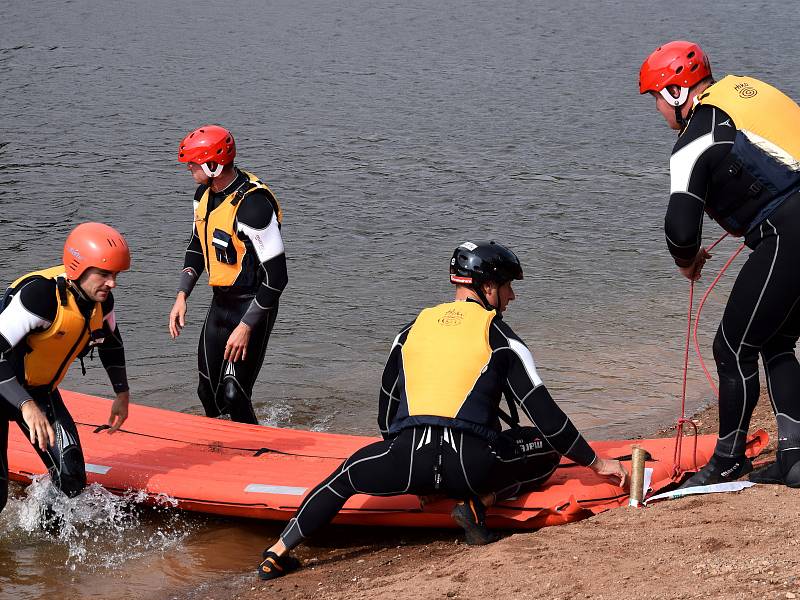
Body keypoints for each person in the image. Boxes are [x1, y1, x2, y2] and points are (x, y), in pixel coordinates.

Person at [256, 241, 628, 581]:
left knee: (345, 476)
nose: (512, 296)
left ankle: (276, 553)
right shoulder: (501, 337)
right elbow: (547, 417)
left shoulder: (410, 330)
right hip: (473, 466)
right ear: (487, 287)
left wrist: (410, 467)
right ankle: (478, 502)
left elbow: (386, 413)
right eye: (508, 286)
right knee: (544, 449)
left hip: (407, 463)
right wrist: (598, 464)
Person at [639, 41, 800, 488]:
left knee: (731, 348)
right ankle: (795, 456)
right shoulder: (748, 89)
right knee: (776, 340)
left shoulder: (694, 138)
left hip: (789, 233)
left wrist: (687, 262)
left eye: (656, 97)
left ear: (676, 92)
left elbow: (680, 230)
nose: (657, 108)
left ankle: (728, 459)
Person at [0, 223, 131, 513]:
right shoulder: (41, 296)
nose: (112, 284)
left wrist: (122, 393)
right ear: (78, 267)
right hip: (5, 386)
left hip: (39, 391)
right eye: (105, 274)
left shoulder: (101, 302)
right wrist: (25, 405)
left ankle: (49, 551)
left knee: (71, 480)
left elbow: (111, 343)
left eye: (116, 275)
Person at [169, 125, 288, 424]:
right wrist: (182, 294)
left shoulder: (253, 207)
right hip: (221, 303)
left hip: (254, 304)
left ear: (213, 164)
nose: (189, 168)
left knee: (233, 392)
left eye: (194, 163)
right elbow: (198, 245)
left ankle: (258, 453)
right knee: (207, 392)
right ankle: (224, 452)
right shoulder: (203, 196)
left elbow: (278, 277)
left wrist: (247, 325)